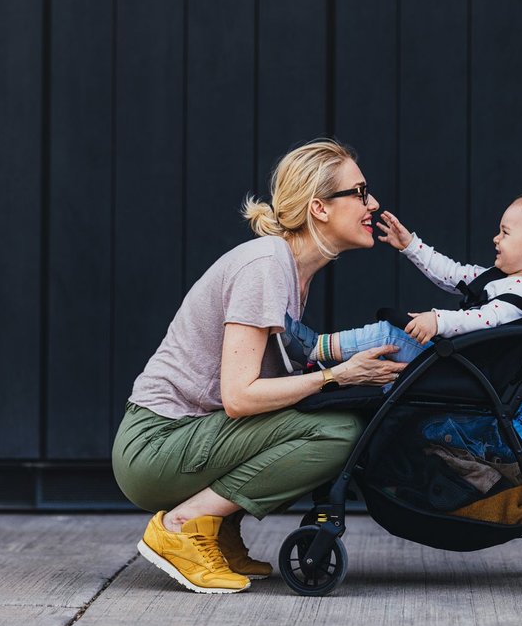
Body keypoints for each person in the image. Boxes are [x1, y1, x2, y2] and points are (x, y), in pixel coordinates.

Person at [112, 140, 406, 595]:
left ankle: (217, 529)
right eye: (360, 192)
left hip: (185, 437)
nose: (373, 203)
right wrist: (336, 377)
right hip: (155, 444)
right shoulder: (267, 265)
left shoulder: (292, 273)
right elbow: (240, 396)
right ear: (319, 208)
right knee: (337, 432)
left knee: (336, 422)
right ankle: (183, 526)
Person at [282, 190, 522, 366]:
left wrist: (438, 320)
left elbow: (483, 319)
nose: (495, 238)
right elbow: (452, 274)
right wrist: (411, 245)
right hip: (454, 360)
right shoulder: (503, 278)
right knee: (388, 350)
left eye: (504, 233)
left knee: (390, 335)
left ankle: (313, 348)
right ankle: (321, 366)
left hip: (461, 367)